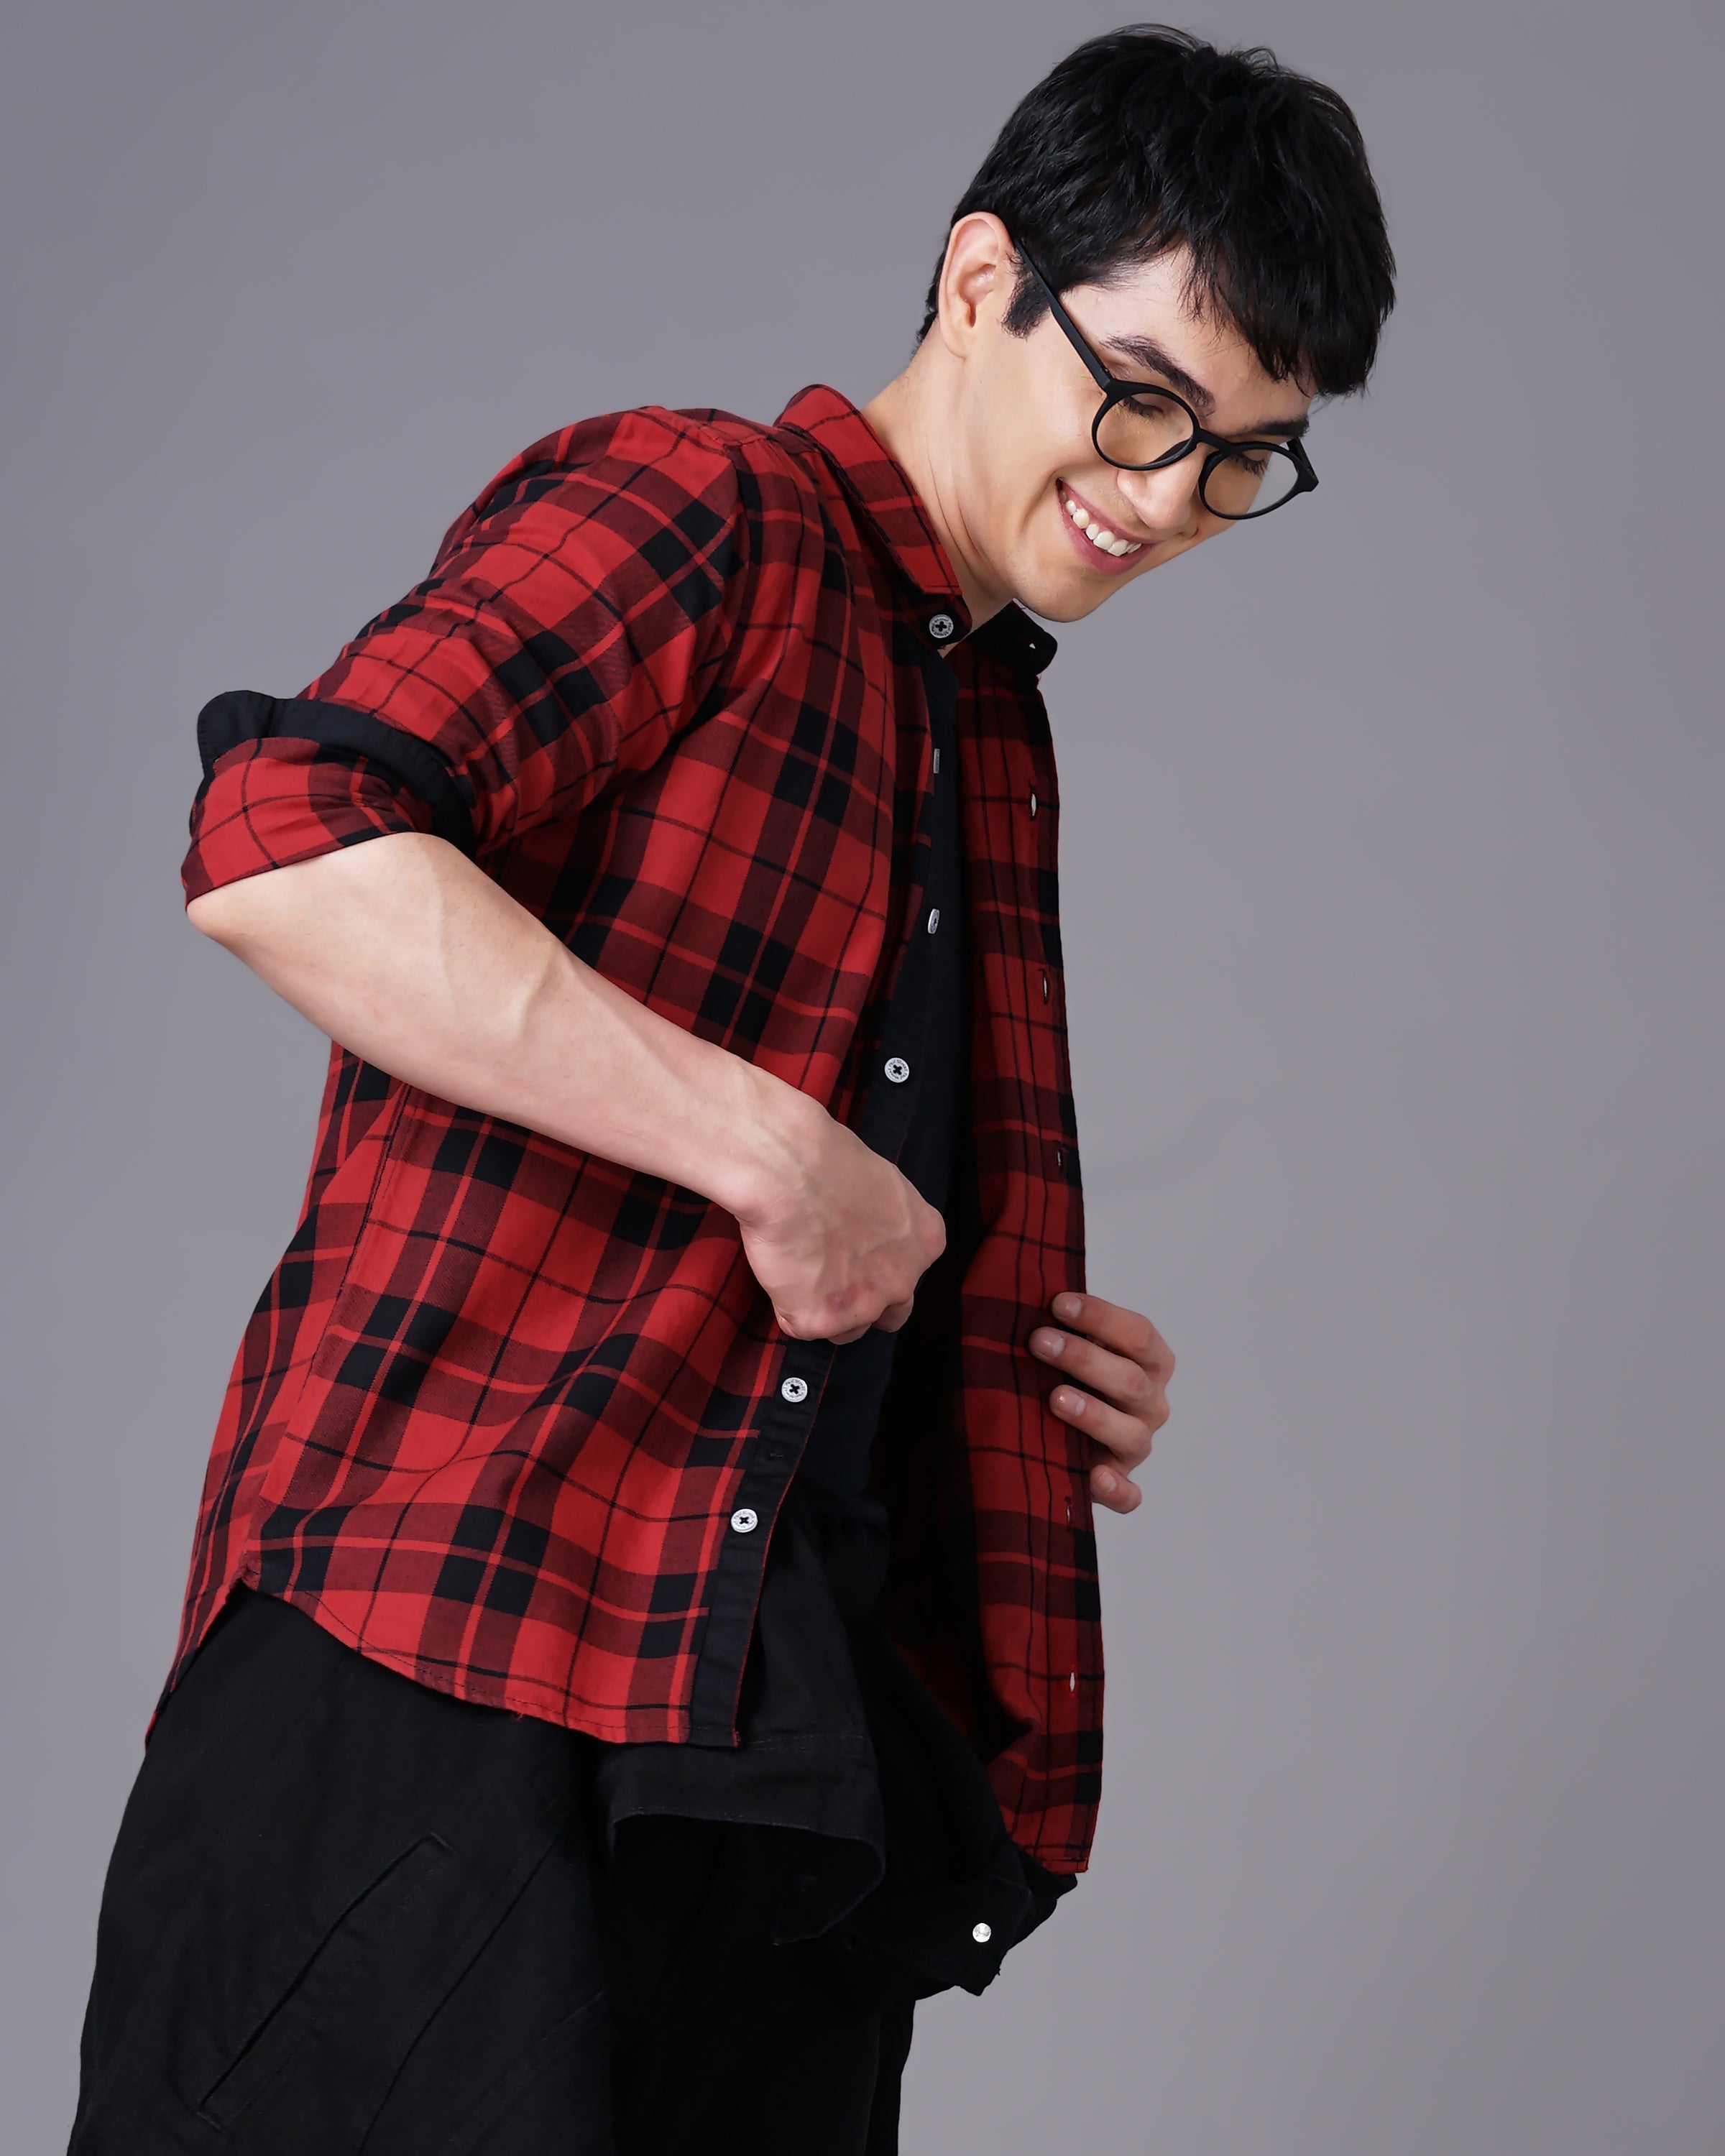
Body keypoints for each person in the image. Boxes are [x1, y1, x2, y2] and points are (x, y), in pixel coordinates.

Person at [68, 24, 1394, 2155]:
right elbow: (284, 845)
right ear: (982, 278)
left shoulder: (987, 724)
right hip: (439, 1689)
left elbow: (824, 1246)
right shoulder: (715, 511)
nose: (1165, 500)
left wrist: (1005, 1366)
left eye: (1244, 458)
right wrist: (766, 1151)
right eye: (1143, 400)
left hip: (759, 1746)